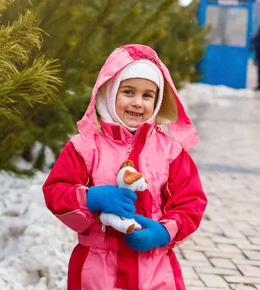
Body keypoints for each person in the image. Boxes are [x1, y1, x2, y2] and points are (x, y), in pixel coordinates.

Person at [42, 44, 207, 290]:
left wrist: (163, 232)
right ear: (110, 92)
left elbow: (190, 202)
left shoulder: (171, 153)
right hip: (97, 271)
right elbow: (56, 191)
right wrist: (91, 198)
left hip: (154, 270)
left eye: (147, 95)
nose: (138, 103)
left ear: (158, 100)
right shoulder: (85, 148)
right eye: (128, 92)